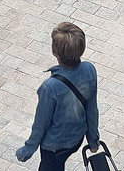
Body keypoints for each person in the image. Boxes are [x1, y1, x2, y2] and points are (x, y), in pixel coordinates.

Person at [16, 22, 100, 170]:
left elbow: (41, 124)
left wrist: (28, 150)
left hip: (54, 146)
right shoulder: (89, 70)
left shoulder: (49, 88)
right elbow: (92, 109)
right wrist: (93, 140)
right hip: (76, 138)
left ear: (55, 51)